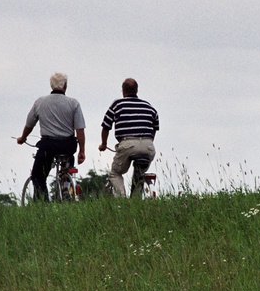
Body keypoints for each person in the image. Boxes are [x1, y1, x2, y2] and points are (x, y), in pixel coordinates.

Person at [16, 72, 87, 201]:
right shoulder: (73, 103)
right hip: (67, 146)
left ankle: (42, 203)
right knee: (68, 165)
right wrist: (82, 151)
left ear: (51, 85)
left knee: (38, 175)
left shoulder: (40, 102)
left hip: (48, 146)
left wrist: (23, 138)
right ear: (65, 86)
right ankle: (67, 189)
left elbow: (29, 124)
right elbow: (80, 130)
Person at [98, 78, 159, 198]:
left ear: (123, 91)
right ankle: (136, 200)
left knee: (115, 173)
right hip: (148, 145)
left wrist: (103, 144)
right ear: (137, 90)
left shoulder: (117, 105)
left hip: (128, 144)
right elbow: (155, 127)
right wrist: (148, 141)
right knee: (139, 173)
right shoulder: (148, 106)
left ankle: (122, 200)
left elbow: (106, 126)